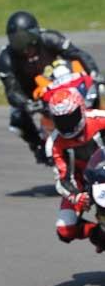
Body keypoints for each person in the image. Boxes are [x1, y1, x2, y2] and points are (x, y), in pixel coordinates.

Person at [0, 11, 104, 163]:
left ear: (35, 33)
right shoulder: (6, 57)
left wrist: (94, 74)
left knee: (99, 88)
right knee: (17, 118)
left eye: (25, 39)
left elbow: (79, 54)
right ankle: (41, 147)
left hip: (63, 83)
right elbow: (11, 90)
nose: (23, 47)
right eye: (16, 41)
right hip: (32, 95)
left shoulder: (50, 38)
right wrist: (26, 103)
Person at [45, 87, 105, 251]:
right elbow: (62, 178)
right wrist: (76, 196)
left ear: (81, 108)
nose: (67, 125)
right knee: (65, 229)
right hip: (82, 185)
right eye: (62, 120)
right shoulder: (54, 144)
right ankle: (97, 233)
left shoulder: (100, 119)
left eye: (71, 118)